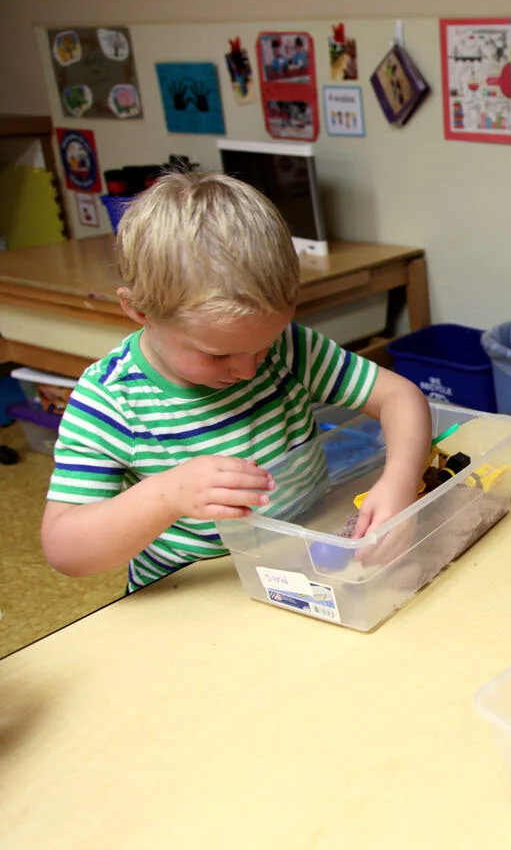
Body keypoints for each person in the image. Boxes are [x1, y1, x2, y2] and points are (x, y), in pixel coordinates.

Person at [41, 172, 432, 593]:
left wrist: (399, 481)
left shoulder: (289, 348)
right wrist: (167, 495)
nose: (248, 370)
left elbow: (400, 397)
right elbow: (65, 550)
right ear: (139, 311)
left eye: (262, 347)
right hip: (193, 593)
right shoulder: (110, 400)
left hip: (302, 566)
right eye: (217, 355)